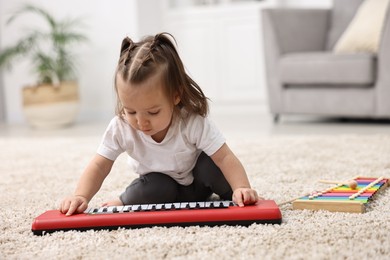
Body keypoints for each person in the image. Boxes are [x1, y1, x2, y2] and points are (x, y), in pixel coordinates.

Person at [60, 32, 260, 216]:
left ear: (175, 96)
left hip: (200, 185)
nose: (140, 122)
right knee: (155, 187)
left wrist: (241, 187)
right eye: (130, 111)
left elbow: (224, 157)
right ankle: (124, 200)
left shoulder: (191, 122)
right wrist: (80, 196)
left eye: (153, 112)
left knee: (210, 166)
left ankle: (235, 197)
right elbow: (99, 165)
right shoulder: (121, 127)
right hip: (160, 188)